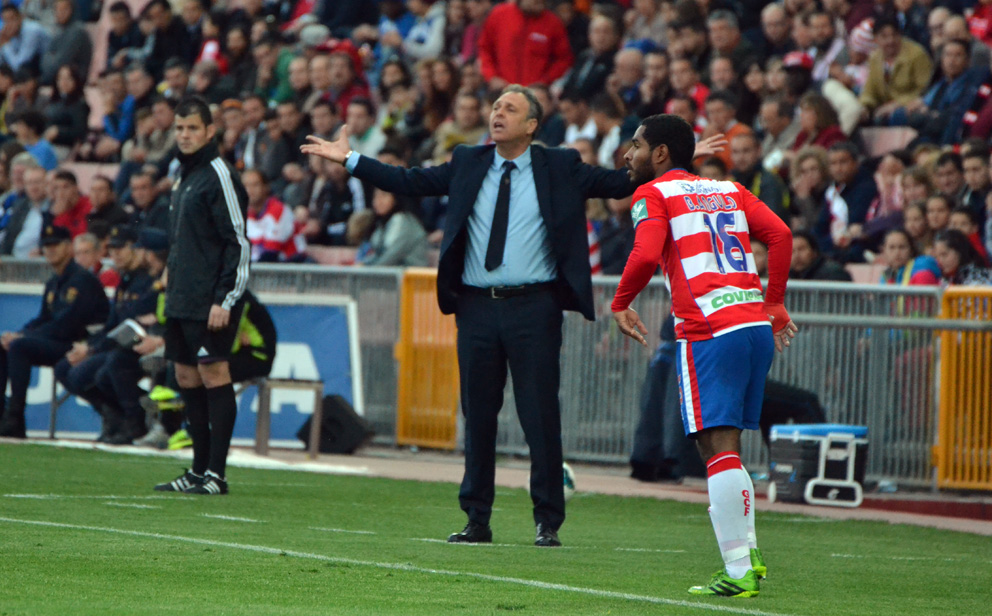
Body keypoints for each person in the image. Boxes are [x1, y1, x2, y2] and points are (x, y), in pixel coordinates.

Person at [300, 86, 728, 547]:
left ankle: (547, 521)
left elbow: (621, 183)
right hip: (477, 307)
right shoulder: (468, 160)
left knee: (539, 416)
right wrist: (351, 159)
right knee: (478, 416)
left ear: (531, 126)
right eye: (495, 106)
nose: (497, 113)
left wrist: (676, 163)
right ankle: (476, 519)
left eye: (510, 108)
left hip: (534, 307)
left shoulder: (560, 165)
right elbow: (410, 180)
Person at [610, 114, 796, 597]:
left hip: (708, 328)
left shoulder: (653, 194)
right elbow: (780, 235)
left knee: (717, 448)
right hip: (753, 324)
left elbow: (647, 255)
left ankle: (739, 569)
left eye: (635, 145)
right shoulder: (730, 189)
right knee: (723, 447)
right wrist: (773, 301)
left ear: (660, 154)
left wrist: (620, 301)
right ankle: (744, 563)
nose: (628, 155)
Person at [153, 96, 249, 496]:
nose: (185, 135)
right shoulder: (183, 175)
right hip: (182, 296)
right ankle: (196, 471)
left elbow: (238, 243)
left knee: (214, 374)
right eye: (179, 128)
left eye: (192, 128)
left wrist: (224, 299)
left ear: (210, 131)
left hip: (211, 300)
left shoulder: (219, 174)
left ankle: (217, 474)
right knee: (186, 376)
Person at [0, 224, 109, 437]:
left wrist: (23, 336)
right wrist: (18, 332)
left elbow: (67, 325)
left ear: (68, 248)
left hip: (77, 343)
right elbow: (44, 318)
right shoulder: (55, 281)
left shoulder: (82, 280)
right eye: (46, 246)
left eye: (55, 245)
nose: (50, 250)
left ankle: (15, 418)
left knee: (20, 346)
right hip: (58, 340)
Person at [54, 225, 158, 443]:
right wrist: (87, 345)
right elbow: (112, 325)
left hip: (136, 347)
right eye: (112, 249)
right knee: (64, 368)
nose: (115, 254)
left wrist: (92, 349)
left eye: (121, 248)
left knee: (95, 371)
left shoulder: (148, 281)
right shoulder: (126, 281)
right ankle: (114, 416)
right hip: (115, 345)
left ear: (137, 249)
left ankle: (135, 419)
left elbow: (130, 326)